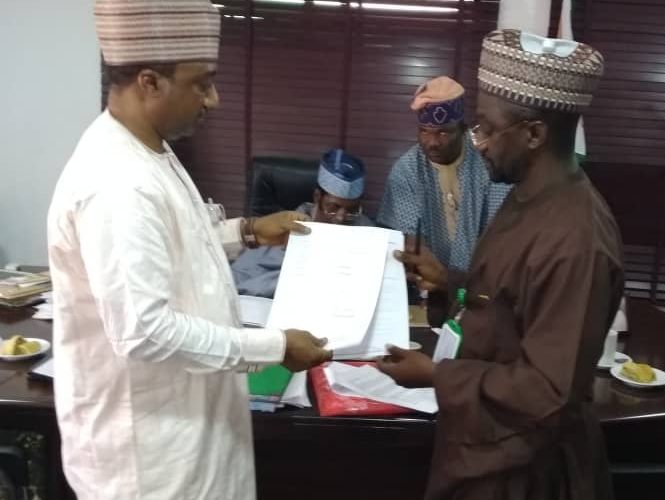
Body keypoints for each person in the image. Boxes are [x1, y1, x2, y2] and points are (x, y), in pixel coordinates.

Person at [46, 1, 331, 499]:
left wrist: (247, 232)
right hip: (150, 464)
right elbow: (145, 331)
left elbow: (169, 241)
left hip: (186, 432)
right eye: (202, 83)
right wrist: (275, 347)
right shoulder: (116, 183)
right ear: (150, 82)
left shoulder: (147, 148)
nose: (213, 99)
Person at [378, 29, 624, 500]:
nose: (479, 144)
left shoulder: (577, 241)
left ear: (534, 134)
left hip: (524, 469)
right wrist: (451, 283)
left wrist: (436, 376)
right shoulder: (527, 194)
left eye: (487, 129)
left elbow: (548, 392)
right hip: (483, 447)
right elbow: (510, 301)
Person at [376, 76, 511, 273]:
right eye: (424, 131)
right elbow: (411, 243)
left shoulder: (488, 161)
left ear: (462, 130)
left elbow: (500, 232)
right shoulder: (407, 170)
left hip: (483, 278)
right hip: (426, 279)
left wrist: (459, 283)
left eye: (443, 133)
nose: (432, 142)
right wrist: (438, 279)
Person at [232, 148, 374, 297]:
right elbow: (238, 281)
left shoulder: (366, 230)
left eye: (351, 210)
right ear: (317, 197)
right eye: (333, 207)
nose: (340, 218)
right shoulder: (283, 228)